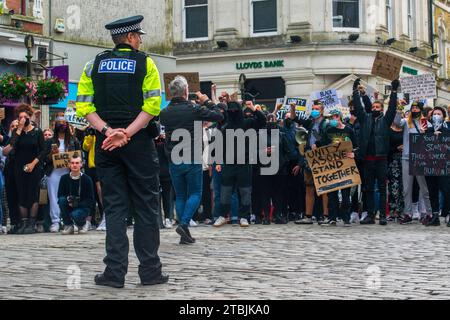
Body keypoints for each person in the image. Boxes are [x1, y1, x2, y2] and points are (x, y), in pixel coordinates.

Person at [76, 15, 168, 288]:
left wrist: (108, 132)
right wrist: (127, 133)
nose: (140, 40)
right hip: (138, 143)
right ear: (129, 38)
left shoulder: (93, 64)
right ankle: (150, 271)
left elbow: (84, 107)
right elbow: (152, 106)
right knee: (146, 208)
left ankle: (114, 273)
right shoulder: (145, 63)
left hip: (106, 145)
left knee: (115, 209)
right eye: (138, 36)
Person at [159, 76, 224, 244]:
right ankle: (184, 223)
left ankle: (184, 232)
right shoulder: (193, 109)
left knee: (180, 195)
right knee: (195, 193)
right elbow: (218, 115)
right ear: (186, 91)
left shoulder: (164, 112)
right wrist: (207, 100)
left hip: (174, 158)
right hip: (192, 157)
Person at [352, 78, 398, 226]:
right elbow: (359, 107)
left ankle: (383, 216)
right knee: (368, 188)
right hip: (368, 159)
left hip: (381, 159)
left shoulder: (385, 121)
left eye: (378, 106)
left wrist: (394, 91)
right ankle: (370, 215)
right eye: (374, 106)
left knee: (383, 189)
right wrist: (355, 92)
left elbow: (392, 108)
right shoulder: (365, 119)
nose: (375, 108)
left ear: (381, 109)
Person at [6, 104, 47, 234]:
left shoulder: (37, 131)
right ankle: (23, 222)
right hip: (19, 166)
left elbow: (43, 150)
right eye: (20, 117)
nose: (23, 119)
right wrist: (18, 130)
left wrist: (34, 163)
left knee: (33, 194)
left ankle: (32, 222)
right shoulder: (16, 132)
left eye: (25, 116)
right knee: (22, 193)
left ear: (30, 117)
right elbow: (12, 145)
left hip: (34, 166)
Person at [290, 100, 329, 225]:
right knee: (309, 187)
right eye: (313, 108)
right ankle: (308, 216)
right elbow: (295, 118)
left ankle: (325, 216)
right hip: (309, 158)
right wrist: (293, 108)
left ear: (322, 110)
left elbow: (327, 139)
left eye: (317, 108)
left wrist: (318, 144)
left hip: (322, 157)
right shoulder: (311, 123)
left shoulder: (326, 124)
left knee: (324, 188)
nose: (315, 110)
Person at [394, 101, 433, 224]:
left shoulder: (426, 123)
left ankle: (429, 213)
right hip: (407, 158)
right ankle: (408, 213)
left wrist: (424, 133)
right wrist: (399, 109)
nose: (415, 110)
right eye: (413, 108)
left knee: (424, 188)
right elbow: (396, 123)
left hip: (420, 159)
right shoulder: (406, 122)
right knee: (407, 189)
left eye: (417, 108)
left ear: (421, 110)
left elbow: (431, 140)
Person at [317, 109, 357, 226]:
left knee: (345, 194)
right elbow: (322, 144)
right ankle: (332, 217)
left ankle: (346, 218)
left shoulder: (348, 130)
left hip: (345, 165)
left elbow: (356, 145)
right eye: (331, 117)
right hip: (332, 166)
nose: (333, 119)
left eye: (335, 116)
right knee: (332, 194)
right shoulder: (328, 130)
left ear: (339, 117)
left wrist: (354, 153)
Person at [47, 113, 81, 233]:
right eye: (59, 122)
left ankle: (70, 220)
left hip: (69, 172)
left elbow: (79, 156)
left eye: (64, 122)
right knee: (53, 197)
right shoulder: (50, 141)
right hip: (54, 173)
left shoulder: (73, 140)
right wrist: (52, 153)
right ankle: (55, 221)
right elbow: (45, 159)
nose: (61, 125)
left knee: (70, 197)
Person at [423, 106, 450, 226]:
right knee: (432, 191)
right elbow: (420, 146)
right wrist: (430, 135)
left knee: (446, 190)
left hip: (444, 166)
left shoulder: (448, 130)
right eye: (434, 114)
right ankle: (435, 216)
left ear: (444, 116)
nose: (436, 116)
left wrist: (441, 136)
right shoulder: (427, 130)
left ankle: (448, 213)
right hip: (430, 166)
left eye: (439, 114)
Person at [58, 155, 95, 235]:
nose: (75, 165)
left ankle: (82, 224)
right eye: (72, 163)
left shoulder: (87, 179)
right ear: (69, 165)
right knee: (61, 200)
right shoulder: (64, 178)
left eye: (77, 163)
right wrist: (68, 200)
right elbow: (60, 194)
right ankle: (69, 226)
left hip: (83, 207)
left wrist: (77, 203)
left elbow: (91, 199)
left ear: (81, 164)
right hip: (69, 204)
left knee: (75, 214)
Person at [82, 126, 106, 231]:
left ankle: (106, 217)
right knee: (92, 194)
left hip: (101, 165)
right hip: (91, 166)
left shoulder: (104, 131)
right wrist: (90, 135)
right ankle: (91, 221)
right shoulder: (91, 134)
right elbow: (85, 147)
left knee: (101, 192)